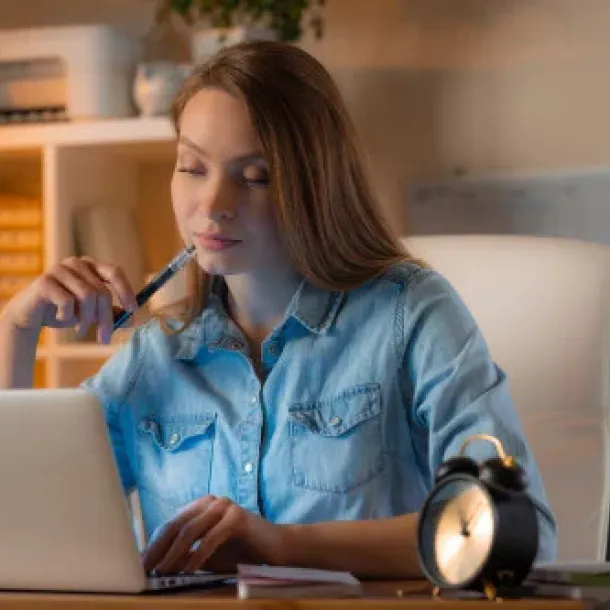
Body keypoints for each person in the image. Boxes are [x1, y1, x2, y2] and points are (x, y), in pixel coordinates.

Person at [0, 41, 556, 578]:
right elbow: (23, 528)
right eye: (192, 167)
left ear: (318, 185)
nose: (213, 206)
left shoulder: (409, 315)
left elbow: (516, 528)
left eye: (256, 176)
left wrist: (284, 546)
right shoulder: (154, 353)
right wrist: (15, 330)